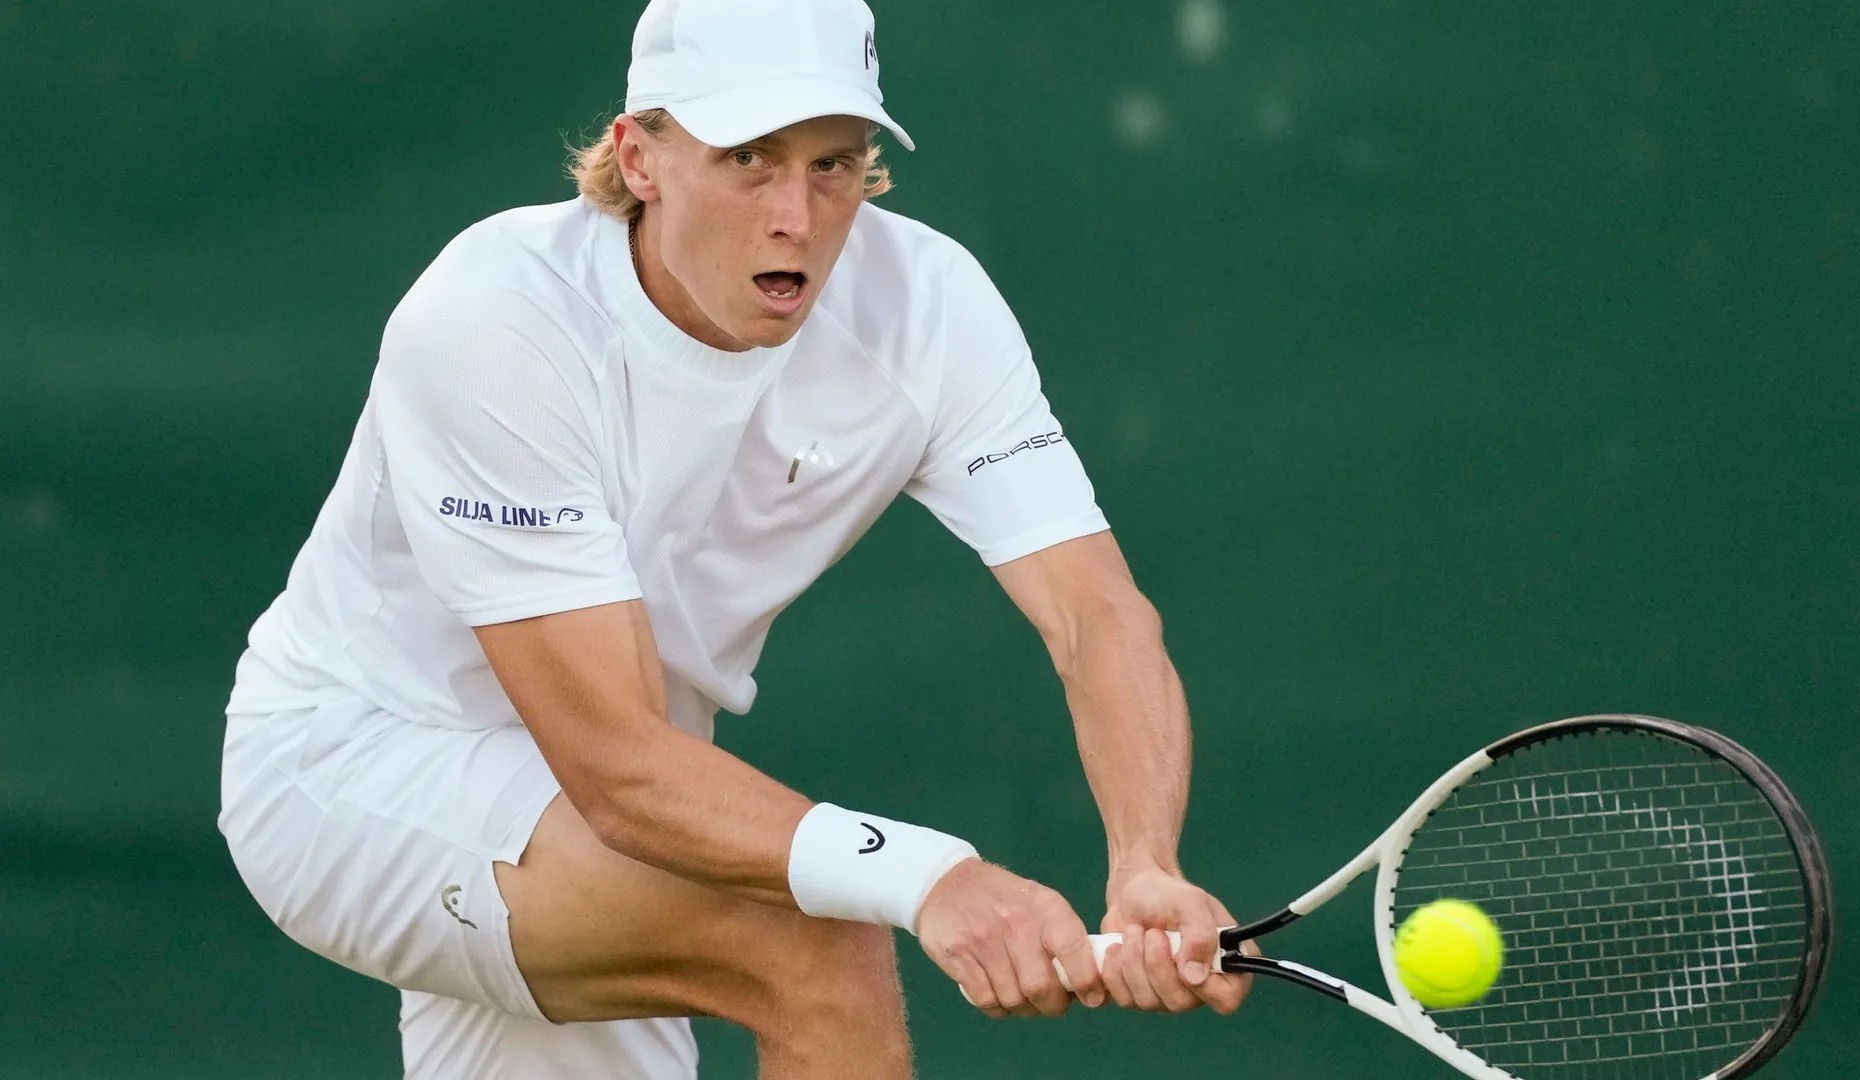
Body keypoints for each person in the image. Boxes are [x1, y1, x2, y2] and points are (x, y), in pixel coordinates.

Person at [217, 0, 1249, 1075]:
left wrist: (1145, 862)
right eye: (748, 159)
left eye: (833, 164)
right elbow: (617, 768)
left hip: (630, 799)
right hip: (357, 765)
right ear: (640, 157)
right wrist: (930, 876)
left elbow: (1097, 613)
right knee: (814, 945)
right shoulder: (494, 322)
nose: (796, 215)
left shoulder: (929, 307)